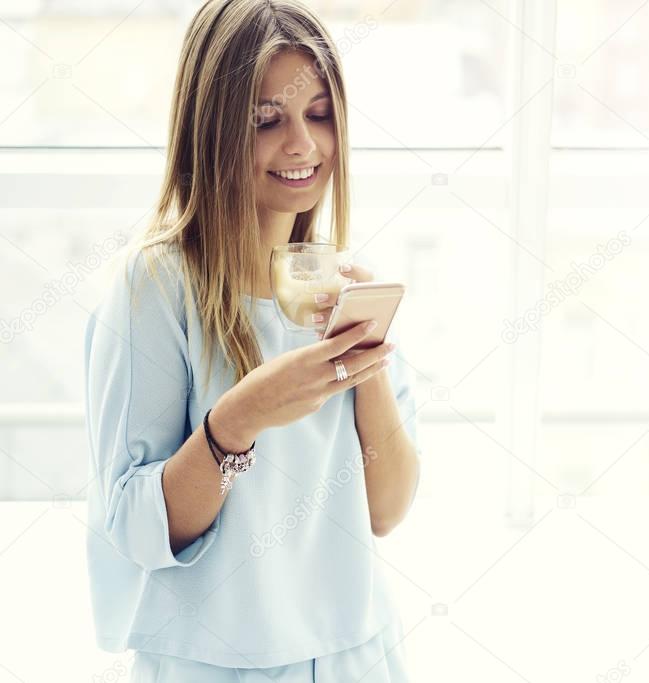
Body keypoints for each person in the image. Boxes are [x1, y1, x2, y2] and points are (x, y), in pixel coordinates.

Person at [82, 1, 421, 680]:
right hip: (211, 663)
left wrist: (370, 367)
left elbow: (386, 510)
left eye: (319, 114)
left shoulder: (340, 283)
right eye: (266, 121)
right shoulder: (153, 288)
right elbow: (137, 526)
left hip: (356, 652)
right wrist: (240, 418)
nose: (302, 144)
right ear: (208, 131)